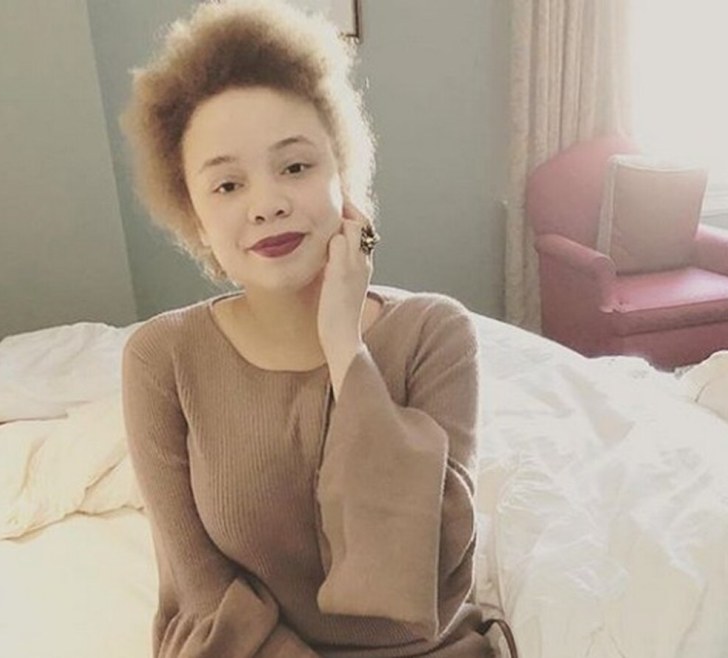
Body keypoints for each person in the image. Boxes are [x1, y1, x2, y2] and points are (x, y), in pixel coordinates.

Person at [119, 1, 514, 657]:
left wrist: (343, 346)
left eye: (295, 167)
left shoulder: (433, 333)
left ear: (344, 178)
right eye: (227, 185)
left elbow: (428, 576)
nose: (267, 203)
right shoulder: (162, 358)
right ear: (194, 218)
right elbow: (200, 588)